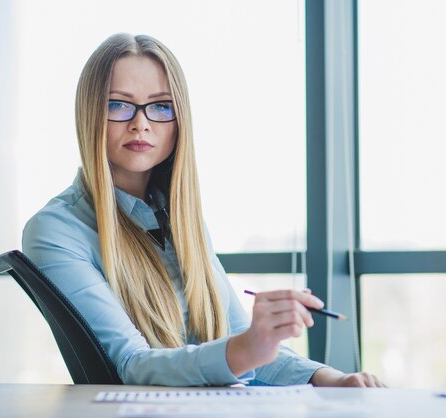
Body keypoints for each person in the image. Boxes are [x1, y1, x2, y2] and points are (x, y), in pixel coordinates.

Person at [23, 33, 385, 388]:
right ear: (89, 114)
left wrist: (330, 378)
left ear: (180, 121)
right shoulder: (57, 229)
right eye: (118, 104)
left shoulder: (179, 218)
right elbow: (130, 364)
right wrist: (246, 349)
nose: (141, 123)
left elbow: (242, 339)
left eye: (161, 106)